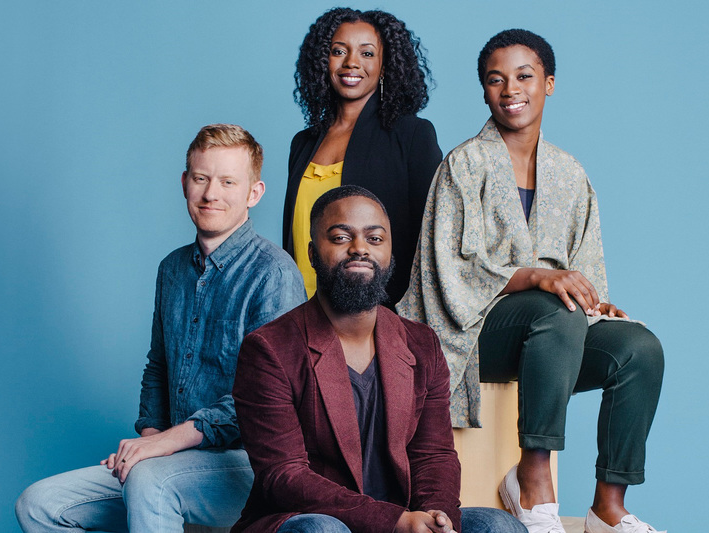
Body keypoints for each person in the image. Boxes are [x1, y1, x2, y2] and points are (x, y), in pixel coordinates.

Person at [398, 30, 665, 533]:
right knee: (554, 309)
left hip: (552, 335)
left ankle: (608, 505)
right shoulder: (463, 165)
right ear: (483, 91)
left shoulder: (570, 172)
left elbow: (583, 272)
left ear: (549, 83)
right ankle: (532, 479)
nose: (510, 89)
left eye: (524, 76)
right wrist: (539, 277)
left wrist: (597, 303)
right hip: (470, 332)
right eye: (495, 80)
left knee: (639, 347)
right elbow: (446, 272)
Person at [15, 124, 307, 532]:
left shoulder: (274, 273)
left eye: (227, 182)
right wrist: (151, 441)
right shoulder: (171, 269)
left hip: (247, 467)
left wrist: (162, 446)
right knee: (39, 504)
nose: (211, 194)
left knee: (150, 479)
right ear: (185, 183)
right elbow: (158, 368)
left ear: (253, 193)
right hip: (170, 460)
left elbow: (265, 400)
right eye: (201, 178)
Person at [232, 186, 526, 533]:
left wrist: (436, 518)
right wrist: (394, 522)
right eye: (341, 237)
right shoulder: (269, 348)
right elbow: (285, 476)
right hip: (312, 519)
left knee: (498, 525)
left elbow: (434, 456)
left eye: (374, 238)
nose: (359, 248)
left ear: (389, 251)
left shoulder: (421, 344)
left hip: (402, 516)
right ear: (312, 253)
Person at [283, 7, 442, 306]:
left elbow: (433, 236)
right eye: (338, 51)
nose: (351, 62)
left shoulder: (411, 135)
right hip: (301, 310)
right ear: (323, 61)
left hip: (379, 313)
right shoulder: (303, 144)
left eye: (367, 54)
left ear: (385, 65)